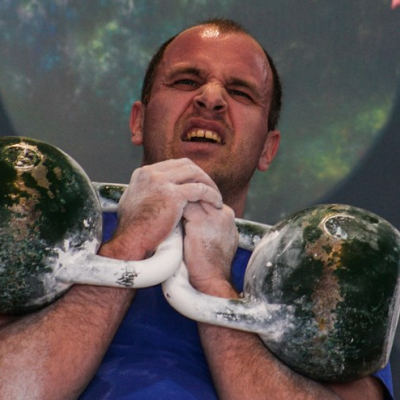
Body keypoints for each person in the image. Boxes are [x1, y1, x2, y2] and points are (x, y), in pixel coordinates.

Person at [0, 18, 394, 400]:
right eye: (187, 81)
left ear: (267, 149)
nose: (212, 98)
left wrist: (214, 286)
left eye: (240, 92)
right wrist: (128, 244)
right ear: (138, 122)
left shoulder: (318, 273)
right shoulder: (35, 227)